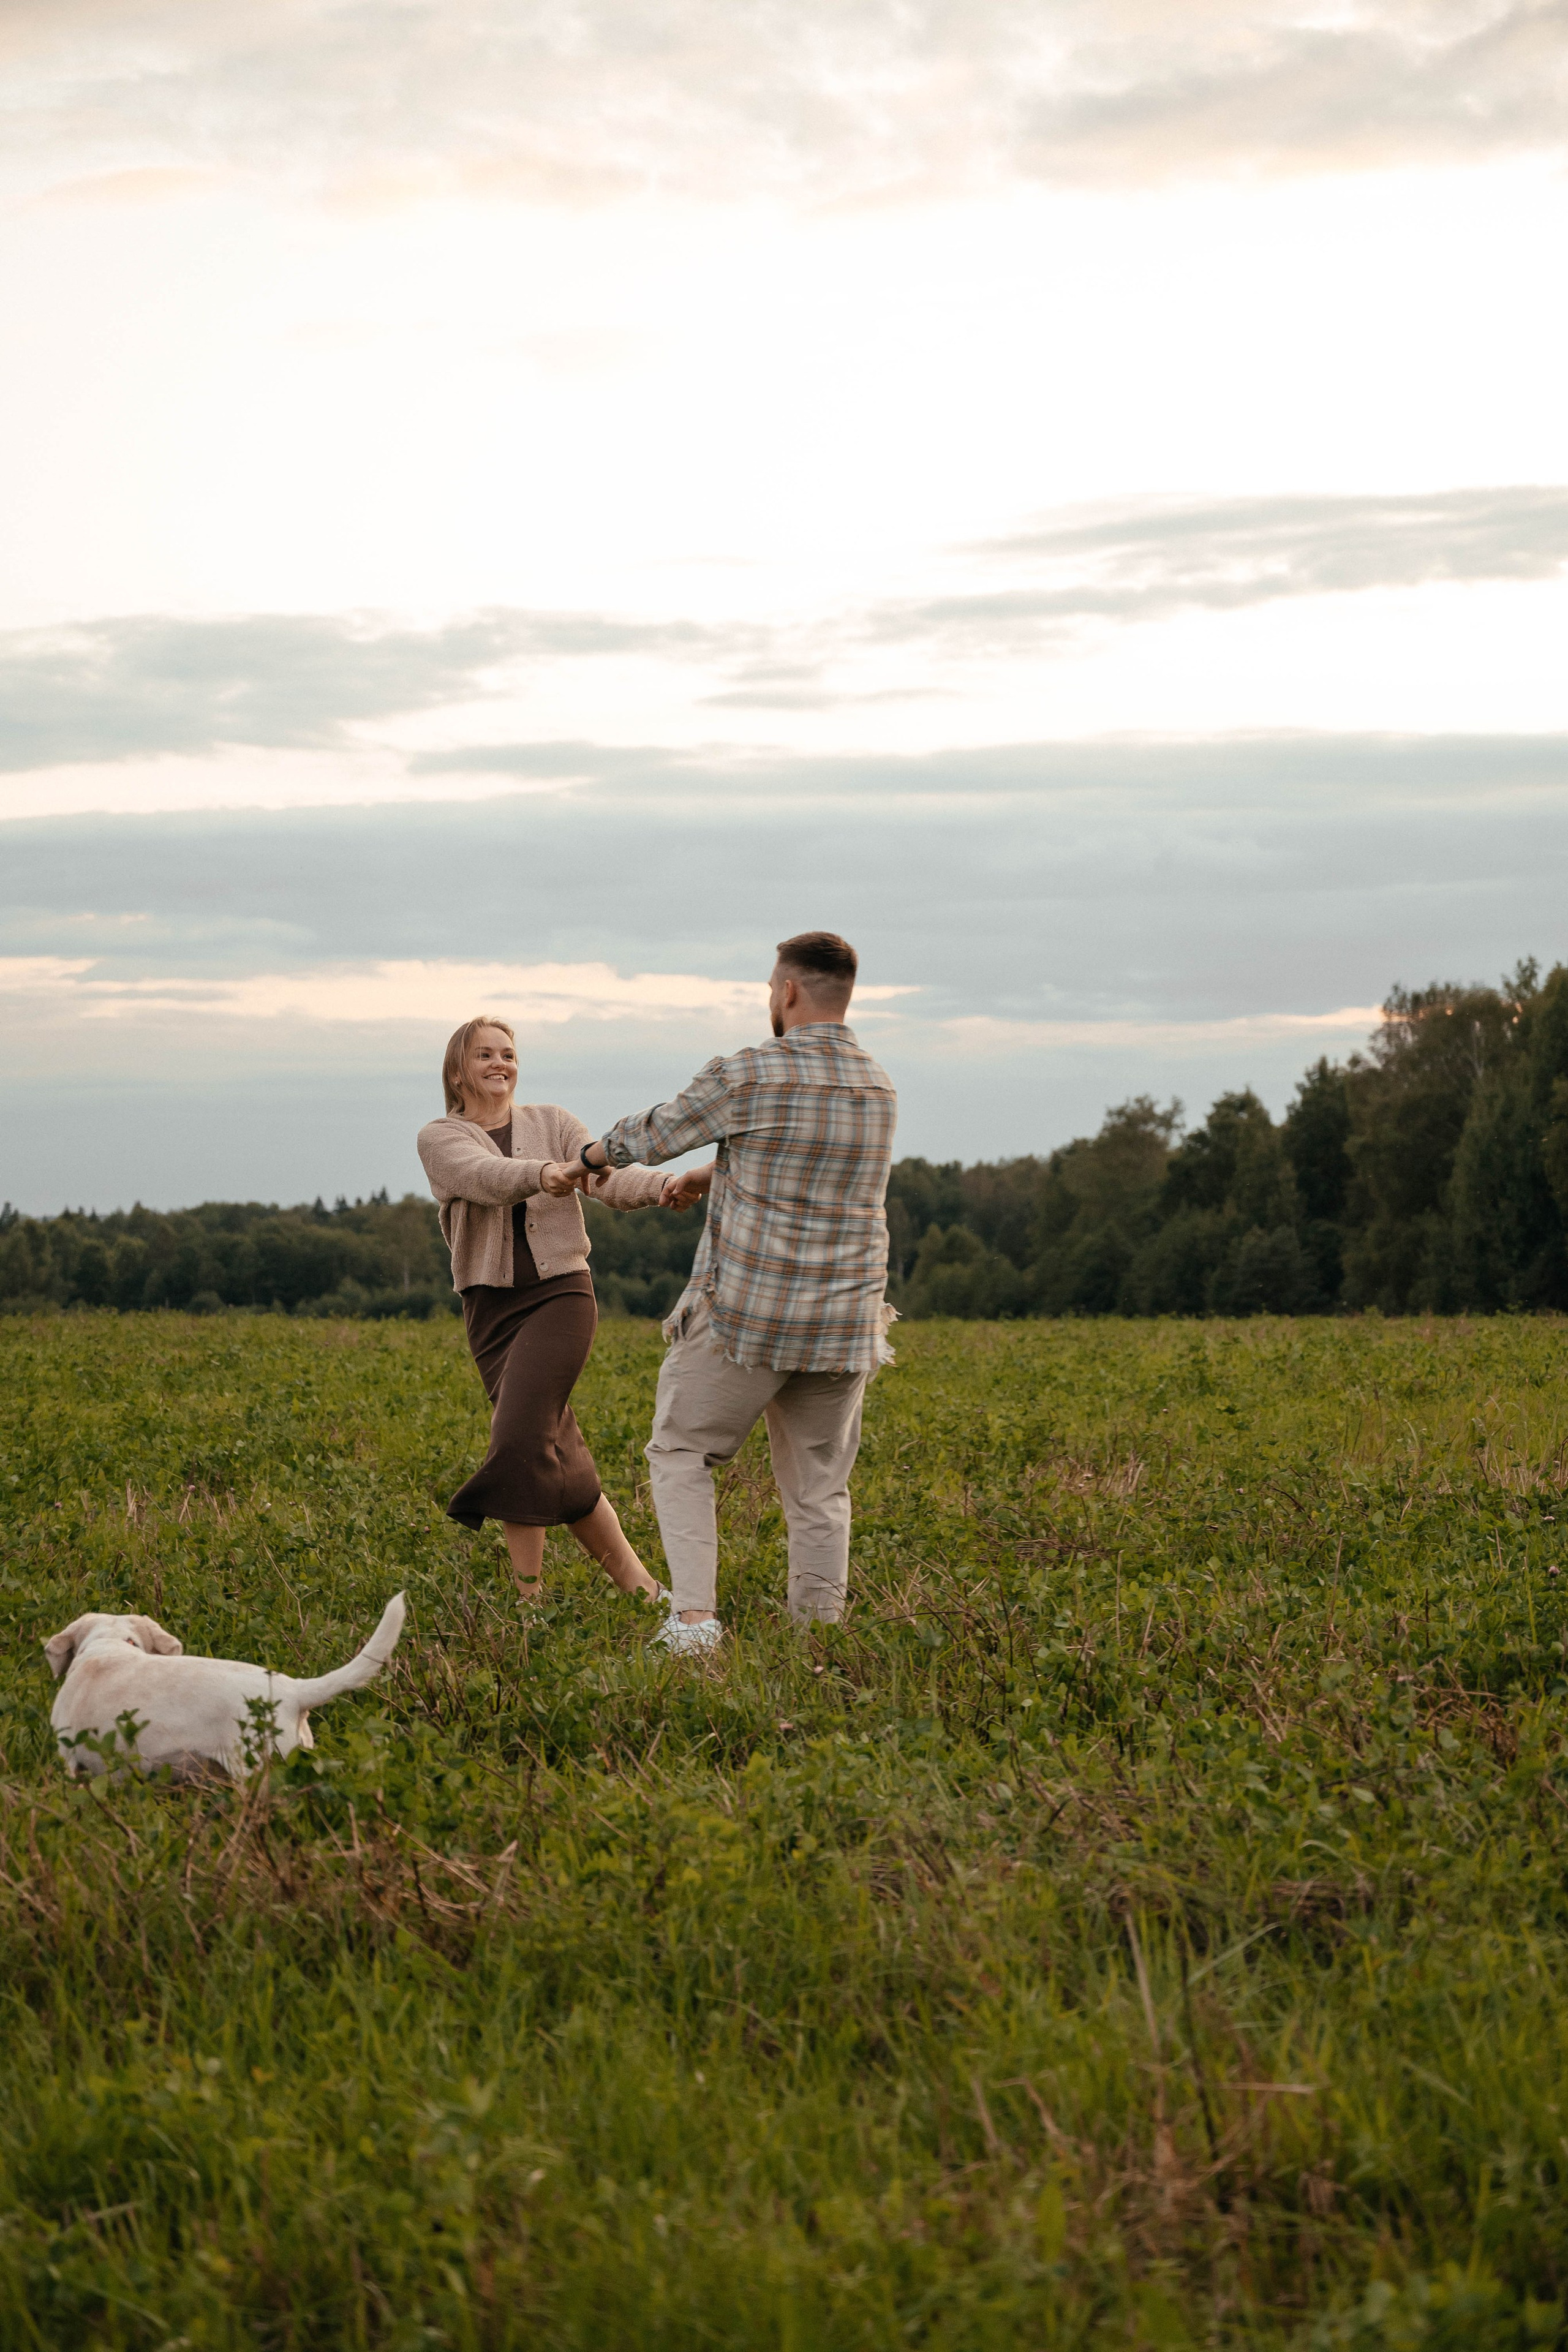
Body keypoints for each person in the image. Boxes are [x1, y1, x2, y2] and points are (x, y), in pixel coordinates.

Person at [567, 932, 897, 1654]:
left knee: (682, 1452)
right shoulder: (877, 1085)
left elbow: (655, 1135)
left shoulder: (753, 1071)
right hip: (845, 1322)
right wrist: (711, 1177)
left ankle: (694, 1625)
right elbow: (806, 1168)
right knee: (818, 1488)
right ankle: (820, 1637)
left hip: (750, 1314)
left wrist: (584, 1159)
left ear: (785, 992)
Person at [417, 1017, 680, 1613]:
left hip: (560, 1297)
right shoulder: (439, 1138)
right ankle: (647, 1595)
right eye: (484, 1054)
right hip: (490, 1312)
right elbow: (482, 1177)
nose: (499, 1064)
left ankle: (527, 1607)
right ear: (459, 1069)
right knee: (561, 1456)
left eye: (507, 1054)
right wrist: (545, 1174)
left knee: (517, 1440)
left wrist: (663, 1186)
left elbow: (607, 1179)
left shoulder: (554, 1123)